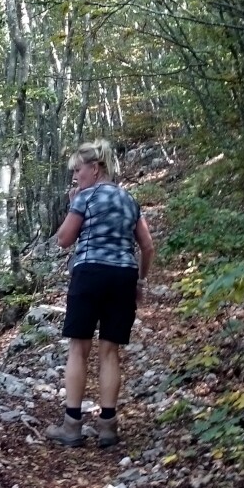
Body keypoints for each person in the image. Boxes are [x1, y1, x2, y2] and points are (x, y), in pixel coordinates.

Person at [46, 139, 154, 449]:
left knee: (78, 348)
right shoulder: (128, 199)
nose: (75, 177)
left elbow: (64, 240)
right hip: (123, 276)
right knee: (110, 351)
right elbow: (147, 246)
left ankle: (72, 426)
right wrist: (140, 281)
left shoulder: (85, 197)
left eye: (78, 170)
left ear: (95, 169)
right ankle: (107, 427)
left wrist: (73, 204)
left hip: (90, 273)